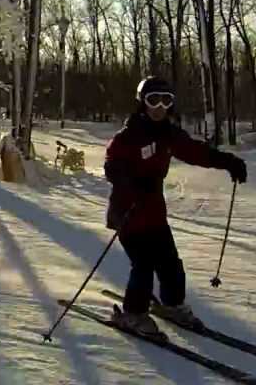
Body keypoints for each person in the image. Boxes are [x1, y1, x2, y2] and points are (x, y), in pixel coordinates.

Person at [103, 76, 248, 336]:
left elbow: (196, 151)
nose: (159, 107)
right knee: (144, 266)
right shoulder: (128, 136)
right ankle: (133, 314)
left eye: (166, 100)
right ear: (142, 103)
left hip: (154, 214)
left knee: (170, 264)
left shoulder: (169, 134)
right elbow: (111, 166)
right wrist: (132, 183)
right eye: (153, 100)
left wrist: (229, 162)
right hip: (128, 213)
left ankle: (172, 305)